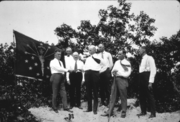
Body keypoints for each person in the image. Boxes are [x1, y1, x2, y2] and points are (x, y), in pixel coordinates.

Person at [101, 50, 131, 118]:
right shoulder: (117, 62)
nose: (118, 55)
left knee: (123, 96)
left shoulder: (127, 63)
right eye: (118, 54)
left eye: (120, 54)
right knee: (112, 96)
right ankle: (110, 111)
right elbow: (112, 71)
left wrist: (118, 72)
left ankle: (123, 111)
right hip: (115, 79)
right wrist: (113, 73)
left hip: (122, 80)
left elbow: (127, 73)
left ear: (124, 54)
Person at [84, 45, 105, 114]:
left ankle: (95, 109)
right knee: (88, 91)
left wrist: (99, 72)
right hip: (87, 74)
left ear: (94, 50)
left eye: (90, 50)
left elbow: (104, 65)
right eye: (89, 50)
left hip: (95, 73)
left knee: (95, 91)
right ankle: (89, 108)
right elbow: (86, 67)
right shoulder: (87, 58)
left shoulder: (98, 57)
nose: (89, 51)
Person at [137, 46, 156, 118]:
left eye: (139, 50)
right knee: (141, 95)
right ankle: (143, 111)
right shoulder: (141, 59)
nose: (138, 51)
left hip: (147, 77)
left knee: (149, 95)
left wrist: (150, 82)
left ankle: (153, 113)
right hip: (141, 77)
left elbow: (153, 70)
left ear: (144, 50)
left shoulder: (149, 58)